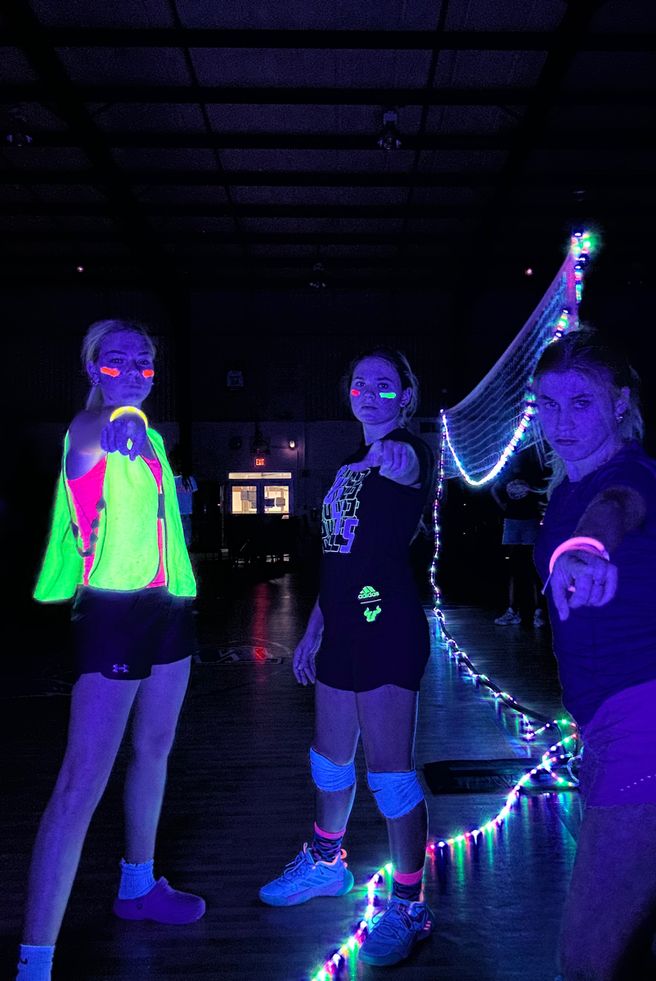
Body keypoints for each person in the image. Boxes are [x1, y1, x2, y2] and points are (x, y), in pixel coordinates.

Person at [531, 328, 656, 980]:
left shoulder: (635, 474)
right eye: (548, 404)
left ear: (619, 403)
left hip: (652, 723)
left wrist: (584, 548)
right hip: (609, 729)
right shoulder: (561, 494)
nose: (562, 421)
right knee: (624, 949)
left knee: (585, 961)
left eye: (581, 402)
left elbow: (616, 510)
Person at [17, 319, 204, 981]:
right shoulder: (89, 428)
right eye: (117, 359)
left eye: (145, 360)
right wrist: (119, 417)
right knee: (80, 781)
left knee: (154, 748)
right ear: (93, 368)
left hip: (167, 610)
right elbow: (105, 432)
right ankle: (34, 961)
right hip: (113, 615)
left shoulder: (151, 435)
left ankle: (138, 884)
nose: (133, 368)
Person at [259, 348, 436, 967]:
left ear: (405, 396)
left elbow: (406, 463)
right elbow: (338, 561)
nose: (369, 391)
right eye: (360, 382)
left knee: (390, 777)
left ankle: (411, 904)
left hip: (387, 625)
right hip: (340, 626)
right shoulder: (345, 465)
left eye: (384, 384)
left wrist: (393, 451)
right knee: (330, 764)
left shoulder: (410, 453)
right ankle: (327, 863)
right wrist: (311, 630)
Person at [490, 445, 547, 627]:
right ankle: (513, 610)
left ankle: (538, 612)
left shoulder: (533, 471)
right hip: (513, 522)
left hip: (530, 521)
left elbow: (543, 489)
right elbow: (494, 489)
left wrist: (538, 508)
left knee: (533, 567)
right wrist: (503, 506)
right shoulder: (506, 473)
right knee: (514, 568)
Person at [169, 443, 198, 548]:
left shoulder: (189, 480)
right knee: (176, 543)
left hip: (185, 514)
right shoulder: (168, 480)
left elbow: (194, 501)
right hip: (173, 514)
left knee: (186, 543)